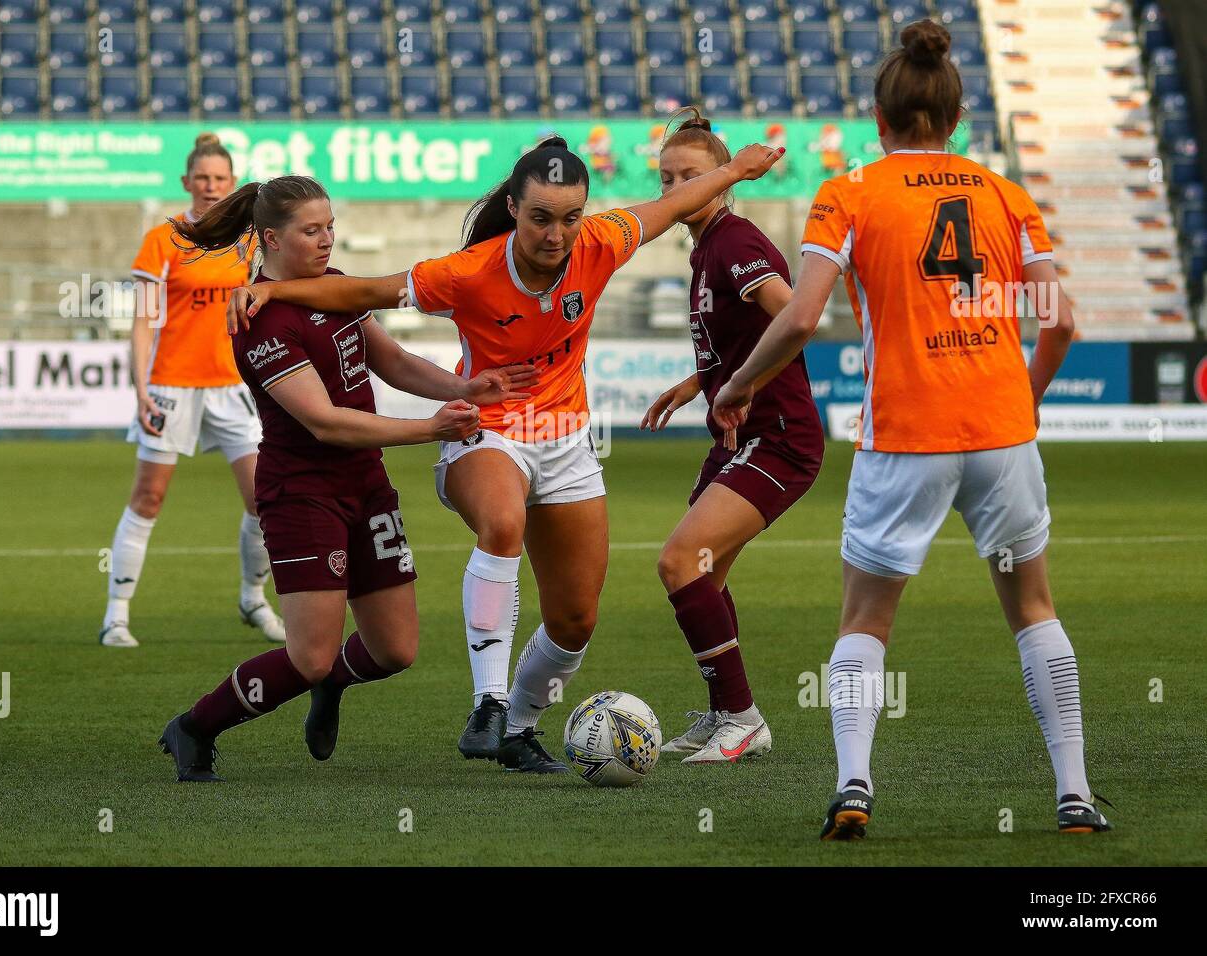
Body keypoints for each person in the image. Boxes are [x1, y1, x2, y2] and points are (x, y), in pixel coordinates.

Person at [227, 136, 784, 772]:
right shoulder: (469, 272)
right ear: (514, 210)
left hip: (568, 438)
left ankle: (517, 725)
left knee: (575, 619)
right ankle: (487, 703)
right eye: (541, 217)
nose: (557, 233)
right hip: (486, 428)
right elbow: (368, 292)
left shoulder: (603, 242)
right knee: (502, 523)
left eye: (571, 216)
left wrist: (738, 169)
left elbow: (673, 202)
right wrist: (274, 293)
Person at [713, 20, 1111, 837]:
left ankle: (853, 789)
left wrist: (738, 386)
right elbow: (1060, 320)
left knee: (865, 621)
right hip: (1002, 435)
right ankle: (1074, 794)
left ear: (879, 117)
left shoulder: (850, 194)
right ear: (956, 117)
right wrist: (1023, 399)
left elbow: (799, 318)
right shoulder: (1006, 195)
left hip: (907, 435)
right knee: (1034, 609)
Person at [157, 175, 534, 781]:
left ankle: (331, 682)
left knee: (396, 650)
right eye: (311, 231)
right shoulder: (261, 319)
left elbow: (388, 358)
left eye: (330, 226)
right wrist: (429, 430)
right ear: (271, 239)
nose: (327, 239)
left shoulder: (334, 288)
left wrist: (463, 387)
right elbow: (325, 424)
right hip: (302, 495)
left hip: (366, 485)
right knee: (307, 656)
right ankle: (195, 728)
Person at [641, 108, 824, 764]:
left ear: (723, 180)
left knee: (679, 562)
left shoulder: (736, 242)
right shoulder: (708, 247)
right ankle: (726, 712)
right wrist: (701, 380)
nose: (671, 188)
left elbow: (796, 317)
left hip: (779, 438)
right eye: (664, 178)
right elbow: (749, 330)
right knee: (704, 573)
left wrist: (739, 384)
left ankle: (742, 717)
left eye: (688, 175)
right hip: (744, 439)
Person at [100, 133, 285, 648]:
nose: (210, 186)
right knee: (149, 495)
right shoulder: (163, 238)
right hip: (171, 386)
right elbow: (142, 322)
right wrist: (141, 392)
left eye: (220, 179)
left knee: (261, 500)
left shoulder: (250, 240)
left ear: (232, 183)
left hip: (235, 387)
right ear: (187, 182)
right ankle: (116, 614)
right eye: (202, 178)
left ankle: (253, 597)